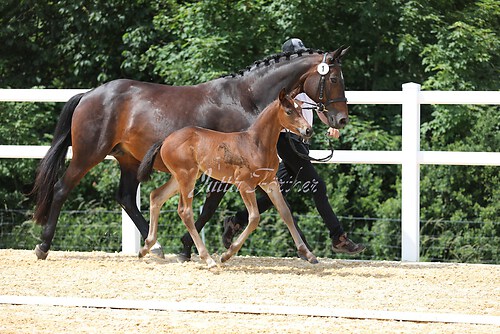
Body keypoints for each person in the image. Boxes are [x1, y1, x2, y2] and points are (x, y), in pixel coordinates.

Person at [222, 38, 366, 255]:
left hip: (301, 144)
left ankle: (236, 220)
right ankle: (338, 237)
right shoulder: (287, 91)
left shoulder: (309, 85)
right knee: (318, 186)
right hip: (288, 141)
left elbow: (319, 109)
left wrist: (331, 124)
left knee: (277, 192)